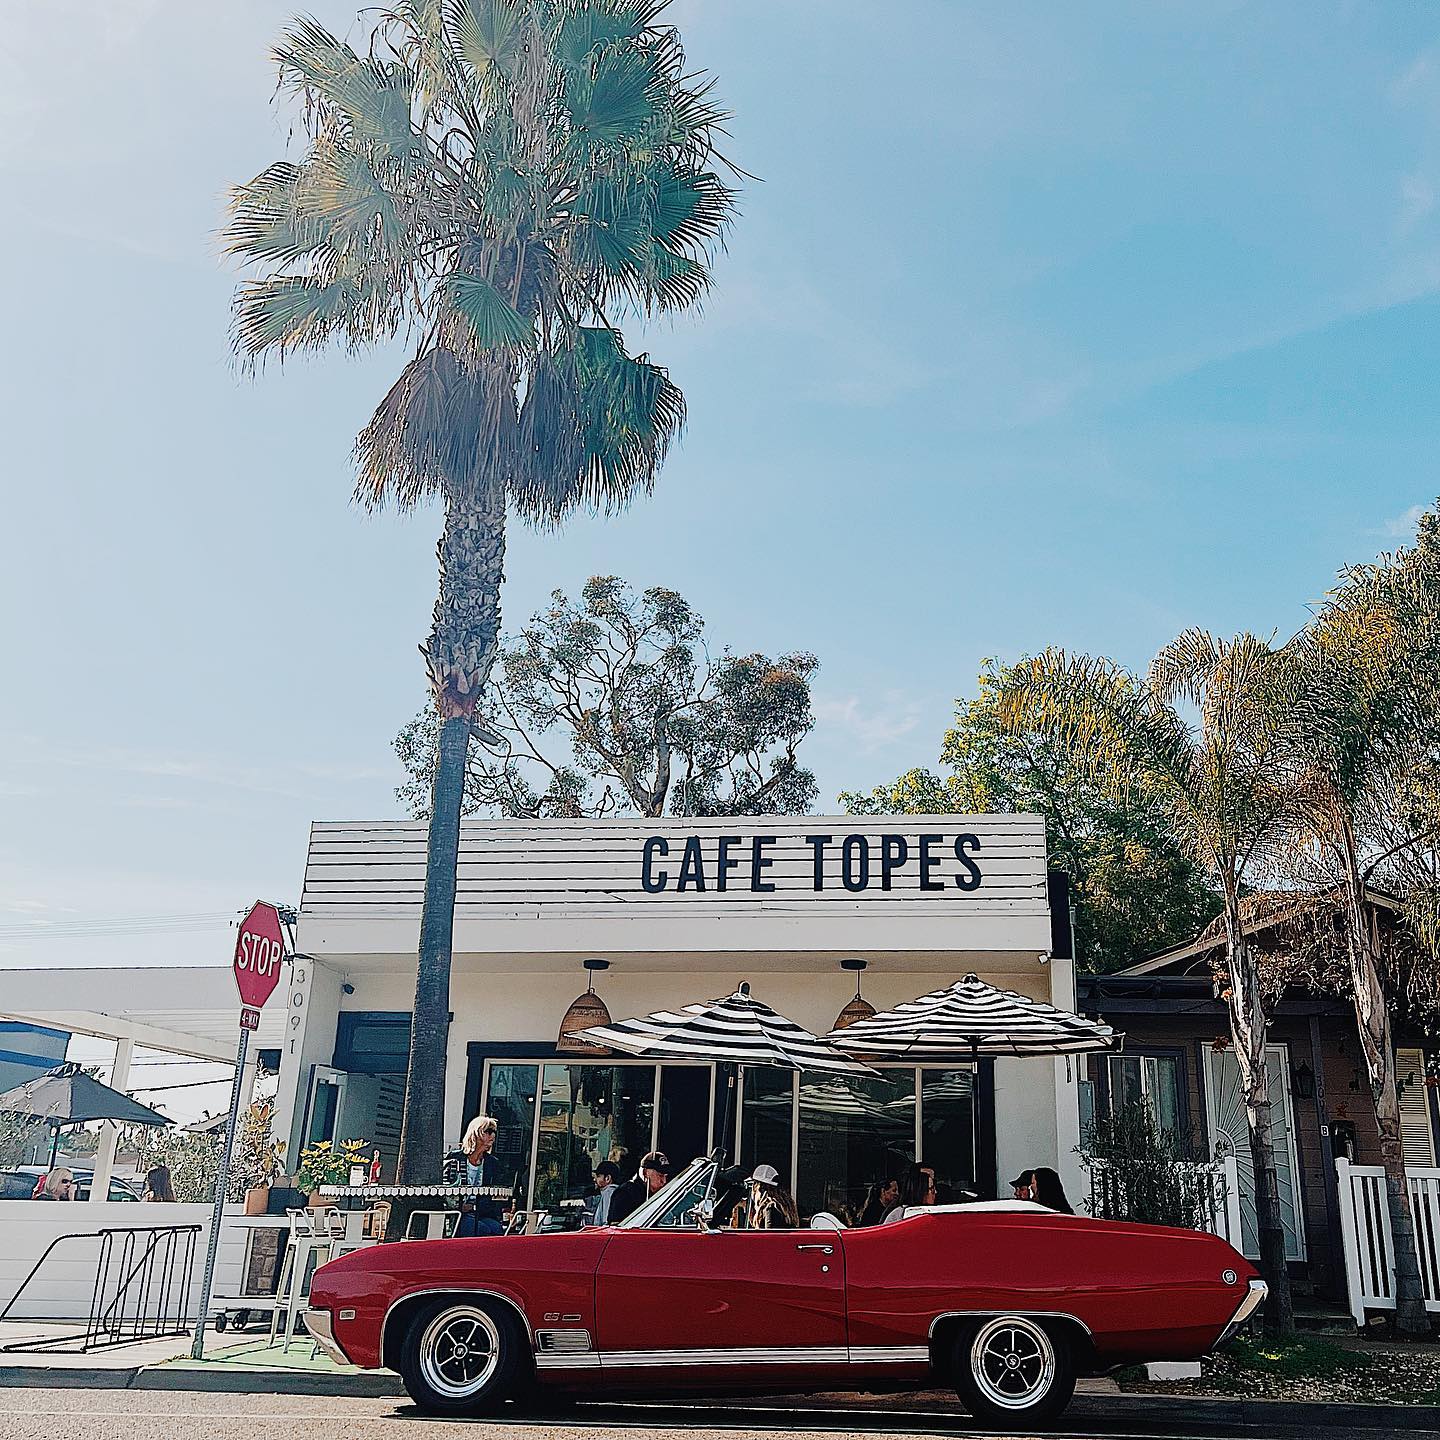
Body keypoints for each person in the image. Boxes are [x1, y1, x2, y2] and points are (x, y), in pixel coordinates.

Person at [443, 1116, 511, 1236]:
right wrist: (458, 1206)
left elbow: (493, 1194)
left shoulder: (492, 1162)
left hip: (481, 1212)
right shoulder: (455, 1157)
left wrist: (476, 1206)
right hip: (458, 1213)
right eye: (488, 1131)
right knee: (480, 1229)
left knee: (496, 1229)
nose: (493, 1135)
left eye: (494, 1132)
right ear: (476, 1133)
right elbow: (445, 1185)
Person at [608, 1150, 669, 1224]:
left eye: (666, 1176)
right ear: (645, 1173)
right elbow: (616, 1225)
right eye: (660, 1176)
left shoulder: (662, 1194)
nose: (664, 1181)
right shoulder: (625, 1193)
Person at [745, 1164, 799, 1230]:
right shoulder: (780, 1206)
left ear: (760, 1189)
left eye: (753, 1189)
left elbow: (770, 1235)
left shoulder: (770, 1208)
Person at [590, 1160, 623, 1225]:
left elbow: (606, 1221)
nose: (594, 1179)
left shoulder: (609, 1192)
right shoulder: (616, 1192)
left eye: (598, 1176)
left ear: (607, 1178)